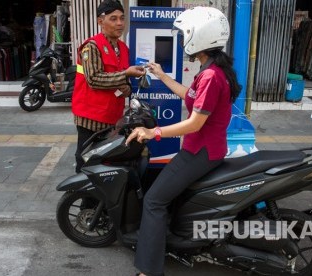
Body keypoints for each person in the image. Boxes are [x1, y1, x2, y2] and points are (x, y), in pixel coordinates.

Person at [125, 7, 242, 276]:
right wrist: (162, 75)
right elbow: (189, 96)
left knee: (154, 201)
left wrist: (152, 133)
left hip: (200, 151)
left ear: (198, 37)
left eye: (184, 34)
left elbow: (194, 124)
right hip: (201, 149)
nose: (180, 39)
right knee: (167, 196)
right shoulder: (211, 69)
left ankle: (149, 271)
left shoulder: (211, 76)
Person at [72, 0, 145, 173]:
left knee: (105, 159)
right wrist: (126, 74)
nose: (119, 23)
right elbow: (94, 79)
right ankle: (84, 198)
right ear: (100, 22)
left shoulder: (123, 48)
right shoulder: (92, 47)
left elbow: (121, 78)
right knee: (86, 160)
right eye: (113, 19)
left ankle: (102, 199)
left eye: (122, 18)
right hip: (90, 116)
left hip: (112, 115)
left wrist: (127, 87)